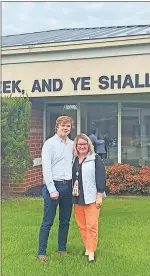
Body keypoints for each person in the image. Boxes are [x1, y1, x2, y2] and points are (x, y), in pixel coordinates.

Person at [38, 115, 74, 261]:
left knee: (65, 221)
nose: (65, 128)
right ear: (57, 127)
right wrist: (52, 189)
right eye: (63, 126)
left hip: (68, 187)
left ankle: (62, 249)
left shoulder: (72, 144)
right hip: (53, 187)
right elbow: (46, 168)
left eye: (68, 126)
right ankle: (41, 253)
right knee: (48, 221)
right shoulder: (49, 144)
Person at [72, 133, 106, 263]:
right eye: (80, 144)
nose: (82, 146)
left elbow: (101, 178)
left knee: (91, 225)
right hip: (77, 197)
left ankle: (91, 252)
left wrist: (99, 195)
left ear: (89, 145)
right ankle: (88, 246)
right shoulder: (74, 159)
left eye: (84, 144)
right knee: (82, 225)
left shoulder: (95, 158)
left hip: (91, 196)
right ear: (76, 145)